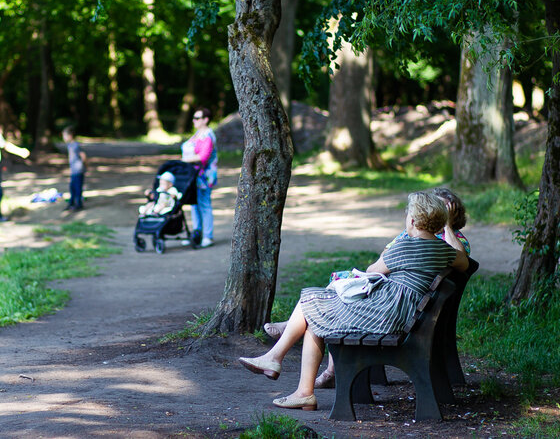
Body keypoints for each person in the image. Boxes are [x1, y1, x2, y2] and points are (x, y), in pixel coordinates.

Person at [239, 192, 468, 410]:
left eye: (407, 215)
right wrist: (446, 226)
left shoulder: (403, 246)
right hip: (404, 313)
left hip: (387, 314)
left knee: (311, 299)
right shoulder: (443, 250)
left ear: (414, 220)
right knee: (316, 312)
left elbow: (372, 270)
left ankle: (280, 364)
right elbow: (465, 263)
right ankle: (297, 386)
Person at [181, 107, 218, 247]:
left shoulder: (208, 135)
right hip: (194, 176)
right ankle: (197, 235)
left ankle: (208, 237)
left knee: (204, 205)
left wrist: (184, 160)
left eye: (197, 118)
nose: (194, 120)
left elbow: (203, 157)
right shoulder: (198, 134)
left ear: (205, 120)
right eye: (194, 118)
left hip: (204, 177)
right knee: (194, 205)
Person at [62, 126, 87, 211]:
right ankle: (71, 203)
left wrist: (84, 165)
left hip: (78, 170)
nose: (63, 138)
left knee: (77, 187)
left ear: (70, 135)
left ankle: (79, 205)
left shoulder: (76, 145)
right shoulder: (70, 145)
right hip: (73, 170)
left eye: (64, 135)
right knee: (72, 187)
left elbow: (83, 156)